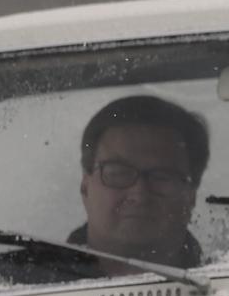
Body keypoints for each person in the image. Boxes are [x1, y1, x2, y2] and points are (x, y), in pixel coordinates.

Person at [71, 94, 210, 272]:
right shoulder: (36, 284)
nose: (140, 195)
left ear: (191, 196)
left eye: (162, 177)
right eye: (119, 173)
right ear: (85, 187)